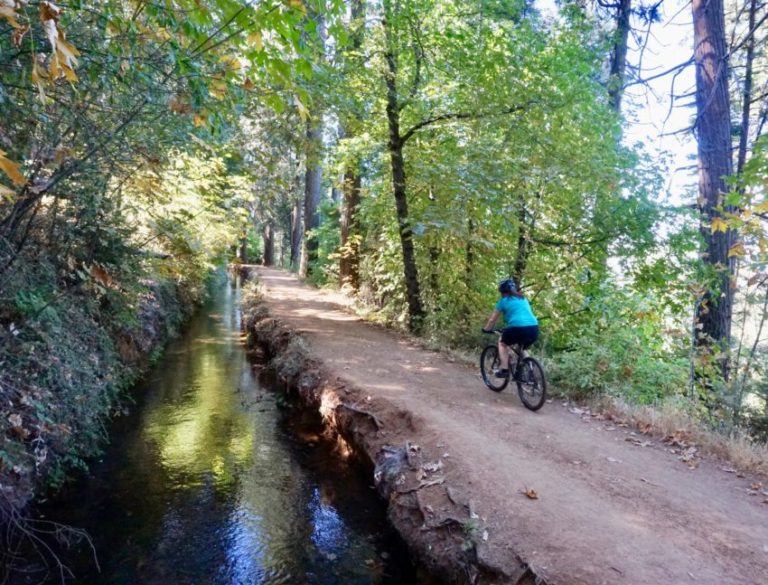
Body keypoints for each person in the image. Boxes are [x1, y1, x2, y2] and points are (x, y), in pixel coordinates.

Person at [482, 279, 539, 378]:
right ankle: (531, 369)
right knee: (522, 348)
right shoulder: (523, 298)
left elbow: (492, 320)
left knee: (502, 343)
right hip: (534, 328)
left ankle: (504, 370)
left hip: (517, 327)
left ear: (502, 292)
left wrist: (486, 329)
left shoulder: (503, 301)